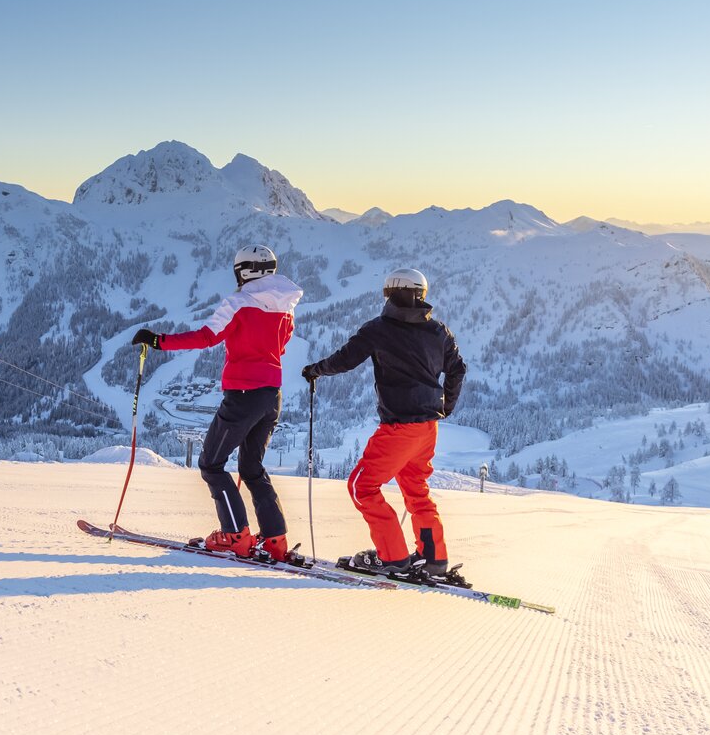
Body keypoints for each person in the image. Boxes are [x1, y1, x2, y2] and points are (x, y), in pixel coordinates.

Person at [131, 245, 302, 562]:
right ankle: (275, 540)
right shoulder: (286, 306)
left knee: (211, 464)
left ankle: (236, 535)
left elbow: (206, 337)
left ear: (244, 271)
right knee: (252, 468)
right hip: (271, 395)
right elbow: (283, 344)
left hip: (243, 396)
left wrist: (157, 341)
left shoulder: (239, 303)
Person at [301, 268, 466, 581]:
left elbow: (344, 360)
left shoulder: (378, 328)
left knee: (362, 486)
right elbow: (458, 370)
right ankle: (434, 557)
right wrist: (446, 406)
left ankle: (393, 558)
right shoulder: (438, 331)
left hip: (399, 429)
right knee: (416, 489)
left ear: (388, 294)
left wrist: (315, 370)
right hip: (427, 428)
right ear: (422, 295)